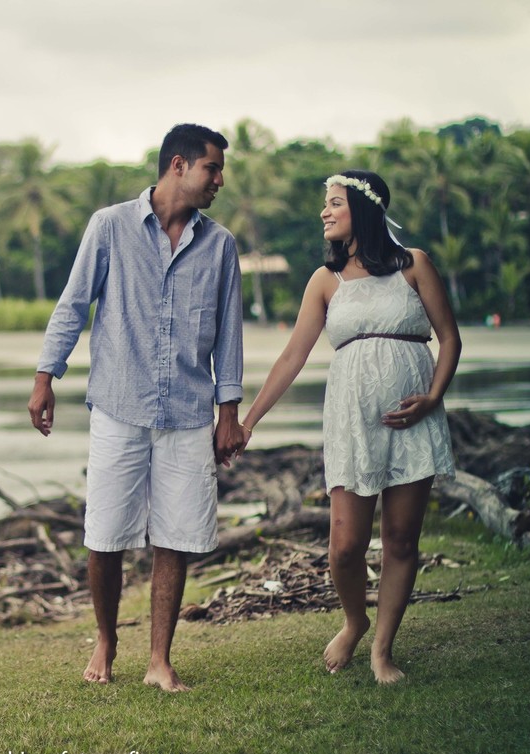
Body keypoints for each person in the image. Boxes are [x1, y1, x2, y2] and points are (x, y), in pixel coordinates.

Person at [28, 123, 245, 692]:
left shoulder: (220, 245)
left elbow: (228, 335)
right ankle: (105, 636)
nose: (219, 180)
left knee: (175, 535)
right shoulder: (109, 227)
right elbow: (73, 305)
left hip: (189, 412)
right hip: (119, 406)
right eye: (212, 169)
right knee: (104, 533)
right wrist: (45, 377)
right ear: (179, 165)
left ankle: (159, 659)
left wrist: (229, 412)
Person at [239, 169, 460, 684]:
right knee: (344, 545)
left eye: (334, 202)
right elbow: (293, 355)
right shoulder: (325, 280)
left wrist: (432, 398)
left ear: (362, 209)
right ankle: (355, 619)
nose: (325, 212)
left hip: (413, 419)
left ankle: (383, 650)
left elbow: (449, 339)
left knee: (401, 540)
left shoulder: (414, 266)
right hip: (351, 421)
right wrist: (249, 419)